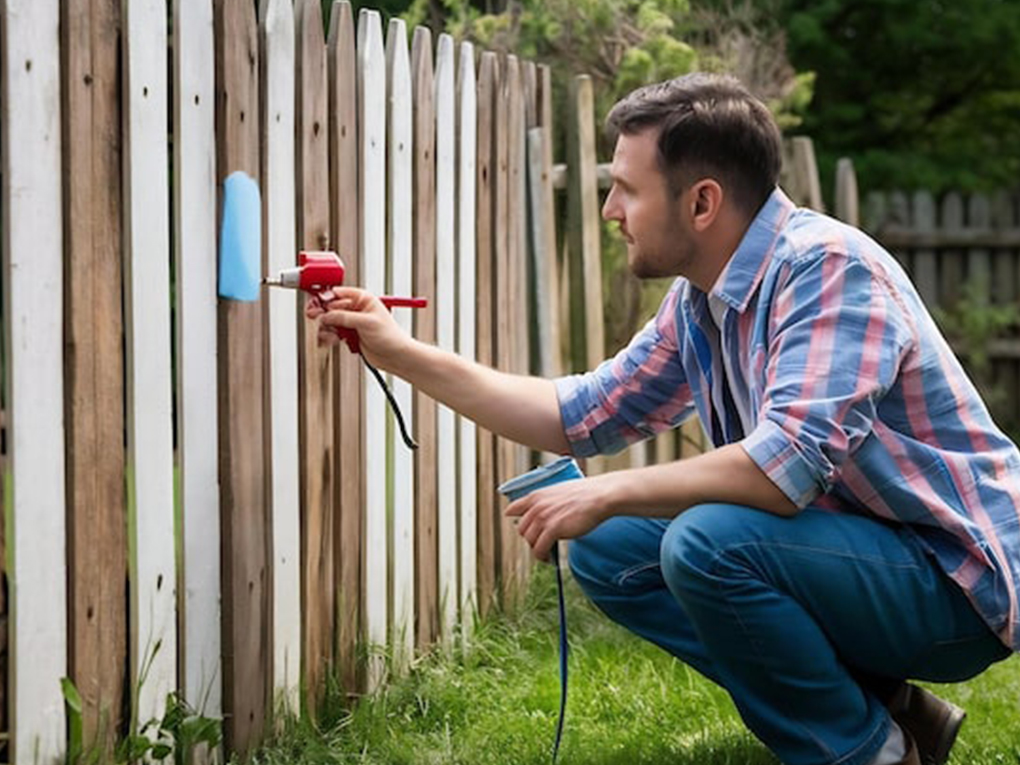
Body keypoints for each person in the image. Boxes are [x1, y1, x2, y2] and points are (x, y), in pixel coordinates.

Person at [308, 73, 1018, 765]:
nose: (611, 209)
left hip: (953, 579)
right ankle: (885, 708)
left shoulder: (828, 268)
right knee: (609, 546)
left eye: (626, 188)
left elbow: (784, 467)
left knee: (708, 540)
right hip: (858, 557)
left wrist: (606, 488)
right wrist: (394, 351)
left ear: (702, 202)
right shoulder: (699, 302)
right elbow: (576, 413)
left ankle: (864, 752)